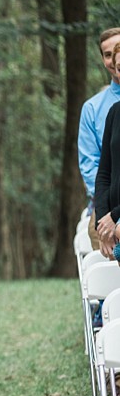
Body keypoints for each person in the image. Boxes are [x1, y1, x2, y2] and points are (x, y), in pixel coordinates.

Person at [79, 27, 120, 249]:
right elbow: (92, 167)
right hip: (105, 203)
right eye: (107, 54)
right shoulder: (94, 108)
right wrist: (107, 214)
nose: (114, 59)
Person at [96, 44, 120, 259]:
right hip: (112, 219)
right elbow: (104, 173)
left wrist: (115, 217)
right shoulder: (114, 113)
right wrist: (103, 222)